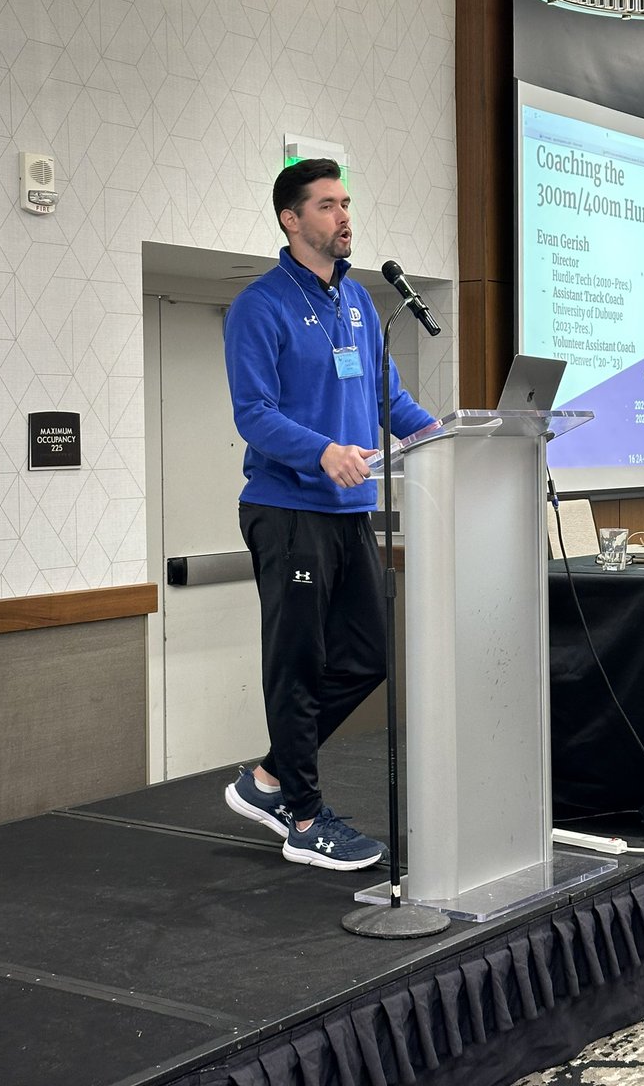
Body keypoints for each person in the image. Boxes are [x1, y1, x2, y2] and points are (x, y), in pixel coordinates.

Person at [222, 158, 437, 871]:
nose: (344, 216)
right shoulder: (261, 305)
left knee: (369, 656)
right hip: (288, 509)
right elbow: (253, 413)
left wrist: (445, 438)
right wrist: (320, 452)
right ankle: (304, 816)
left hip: (350, 510)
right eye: (326, 205)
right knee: (298, 664)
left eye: (346, 203)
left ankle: (269, 778)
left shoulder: (360, 303)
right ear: (291, 219)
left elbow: (387, 400)